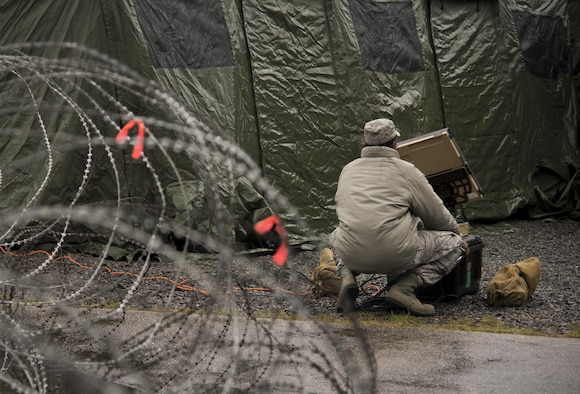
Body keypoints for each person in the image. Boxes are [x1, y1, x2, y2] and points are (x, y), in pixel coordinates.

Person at [330, 118, 468, 316]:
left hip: (351, 254)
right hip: (395, 255)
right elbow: (437, 216)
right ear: (395, 143)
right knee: (454, 243)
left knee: (335, 234)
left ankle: (347, 277)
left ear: (365, 144)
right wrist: (458, 235)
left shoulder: (348, 170)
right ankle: (403, 289)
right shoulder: (406, 171)